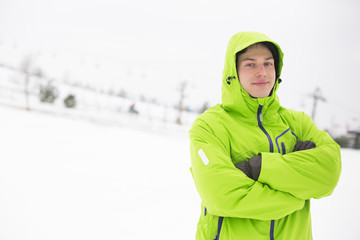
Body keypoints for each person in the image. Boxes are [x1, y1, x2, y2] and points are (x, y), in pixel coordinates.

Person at [189, 31, 341, 240]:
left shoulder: (299, 123)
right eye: (250, 64)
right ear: (233, 72)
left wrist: (258, 168)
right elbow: (221, 196)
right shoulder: (210, 126)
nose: (262, 72)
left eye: (268, 64)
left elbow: (329, 173)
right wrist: (297, 193)